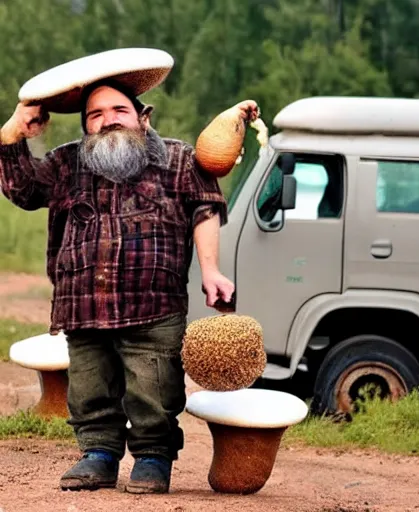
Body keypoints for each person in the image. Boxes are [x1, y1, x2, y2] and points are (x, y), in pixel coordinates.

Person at [0, 77, 257, 494]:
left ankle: (153, 458)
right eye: (95, 115)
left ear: (142, 116)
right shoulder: (67, 164)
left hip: (154, 304)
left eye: (119, 111)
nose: (108, 121)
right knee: (89, 387)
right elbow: (23, 190)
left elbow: (206, 208)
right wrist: (14, 132)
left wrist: (211, 270)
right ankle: (97, 455)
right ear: (85, 127)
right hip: (82, 305)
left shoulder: (178, 159)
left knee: (153, 387)